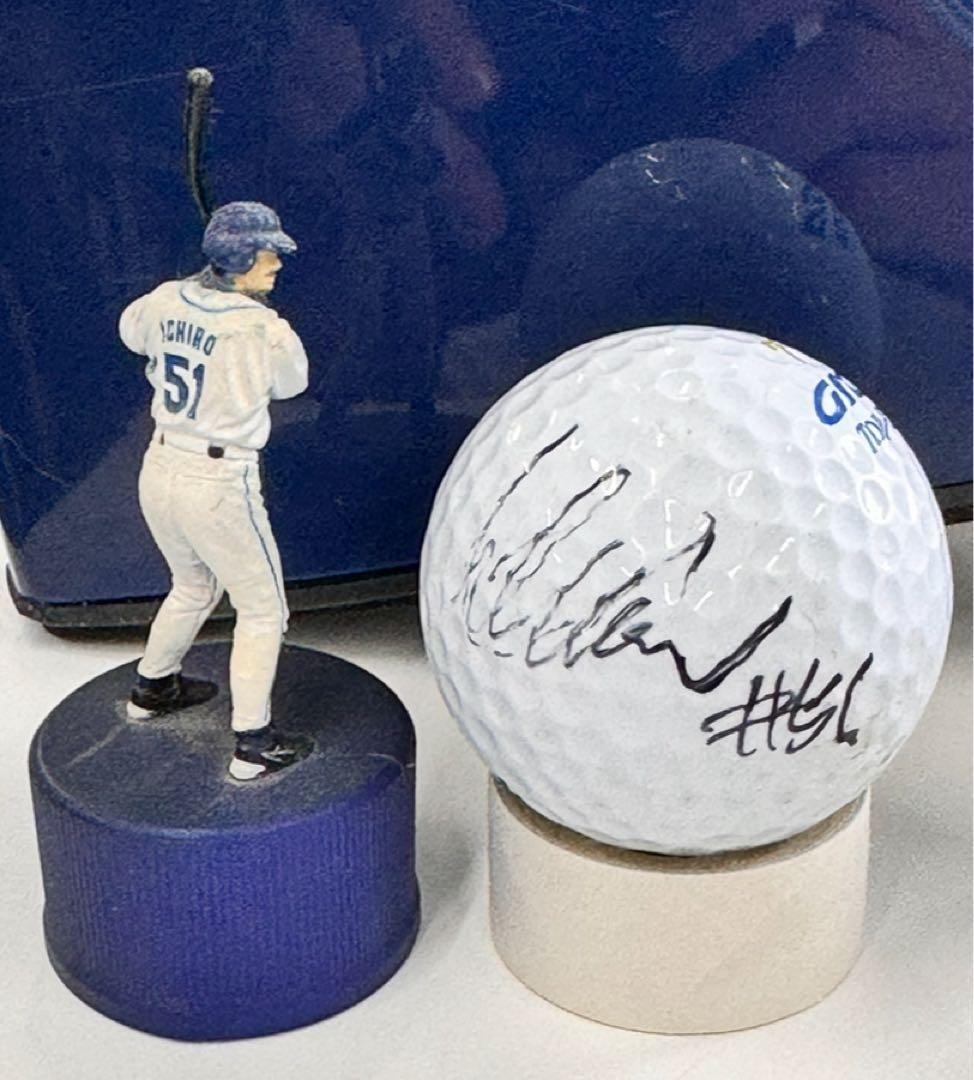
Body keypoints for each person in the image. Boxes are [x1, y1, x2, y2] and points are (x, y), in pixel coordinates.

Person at [118, 201, 312, 780]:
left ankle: (152, 688)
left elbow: (131, 333)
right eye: (267, 253)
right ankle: (253, 745)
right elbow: (293, 383)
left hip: (160, 466)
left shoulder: (165, 297)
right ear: (240, 258)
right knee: (263, 609)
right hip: (218, 481)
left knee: (193, 585)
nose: (276, 262)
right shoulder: (262, 327)